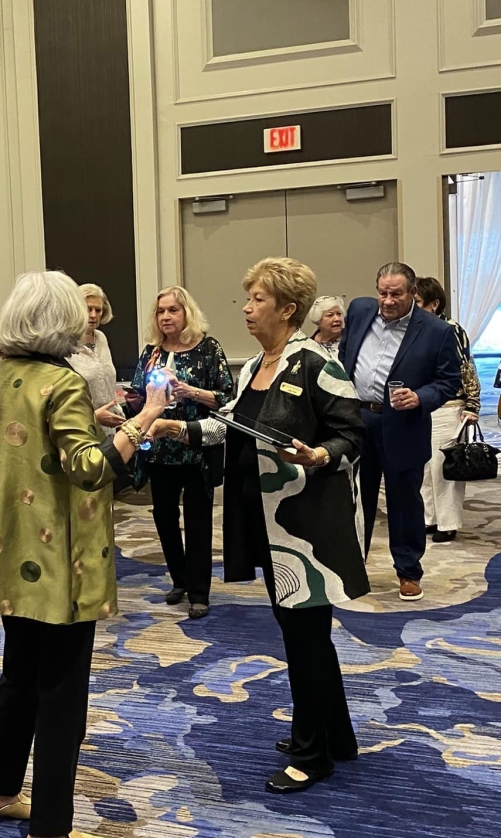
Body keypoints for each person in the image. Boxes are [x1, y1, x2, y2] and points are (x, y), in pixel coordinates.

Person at [0, 270, 168, 838]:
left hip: (8, 552)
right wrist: (146, 416)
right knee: (62, 694)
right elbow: (90, 469)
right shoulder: (64, 382)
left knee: (19, 675)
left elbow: (28, 444)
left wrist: (95, 424)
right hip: (59, 562)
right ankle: (52, 824)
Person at [150, 257, 369, 794]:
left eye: (258, 300)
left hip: (305, 529)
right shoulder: (253, 367)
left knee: (306, 638)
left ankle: (313, 755)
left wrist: (319, 454)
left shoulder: (316, 364)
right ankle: (337, 737)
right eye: (247, 298)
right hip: (264, 522)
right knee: (303, 634)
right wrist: (174, 428)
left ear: (288, 309)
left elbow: (352, 436)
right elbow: (229, 427)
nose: (246, 308)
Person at [339, 262, 461, 601]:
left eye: (396, 294)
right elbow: (345, 353)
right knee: (353, 499)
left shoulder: (437, 331)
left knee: (404, 502)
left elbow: (449, 381)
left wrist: (420, 397)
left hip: (404, 424)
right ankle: (351, 566)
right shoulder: (360, 310)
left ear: (413, 293)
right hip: (358, 421)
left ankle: (408, 572)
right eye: (383, 293)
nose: (388, 301)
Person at [127, 286, 233, 619]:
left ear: (187, 313)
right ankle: (180, 579)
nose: (166, 316)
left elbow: (226, 397)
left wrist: (190, 391)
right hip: (159, 450)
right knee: (164, 517)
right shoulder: (152, 352)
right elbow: (138, 394)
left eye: (173, 310)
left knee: (198, 521)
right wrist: (134, 401)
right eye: (161, 311)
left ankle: (199, 593)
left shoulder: (208, 348)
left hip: (197, 449)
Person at [415, 277, 481, 543]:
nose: (413, 307)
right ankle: (428, 518)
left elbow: (466, 367)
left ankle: (448, 523)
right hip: (420, 405)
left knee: (443, 467)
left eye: (418, 302)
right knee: (422, 467)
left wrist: (472, 404)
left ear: (434, 304)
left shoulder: (451, 329)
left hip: (448, 405)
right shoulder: (412, 329)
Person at [66, 283, 124, 435]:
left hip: (110, 430)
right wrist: (94, 417)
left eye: (98, 310)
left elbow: (106, 385)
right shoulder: (65, 344)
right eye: (88, 309)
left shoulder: (101, 338)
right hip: (81, 431)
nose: (93, 315)